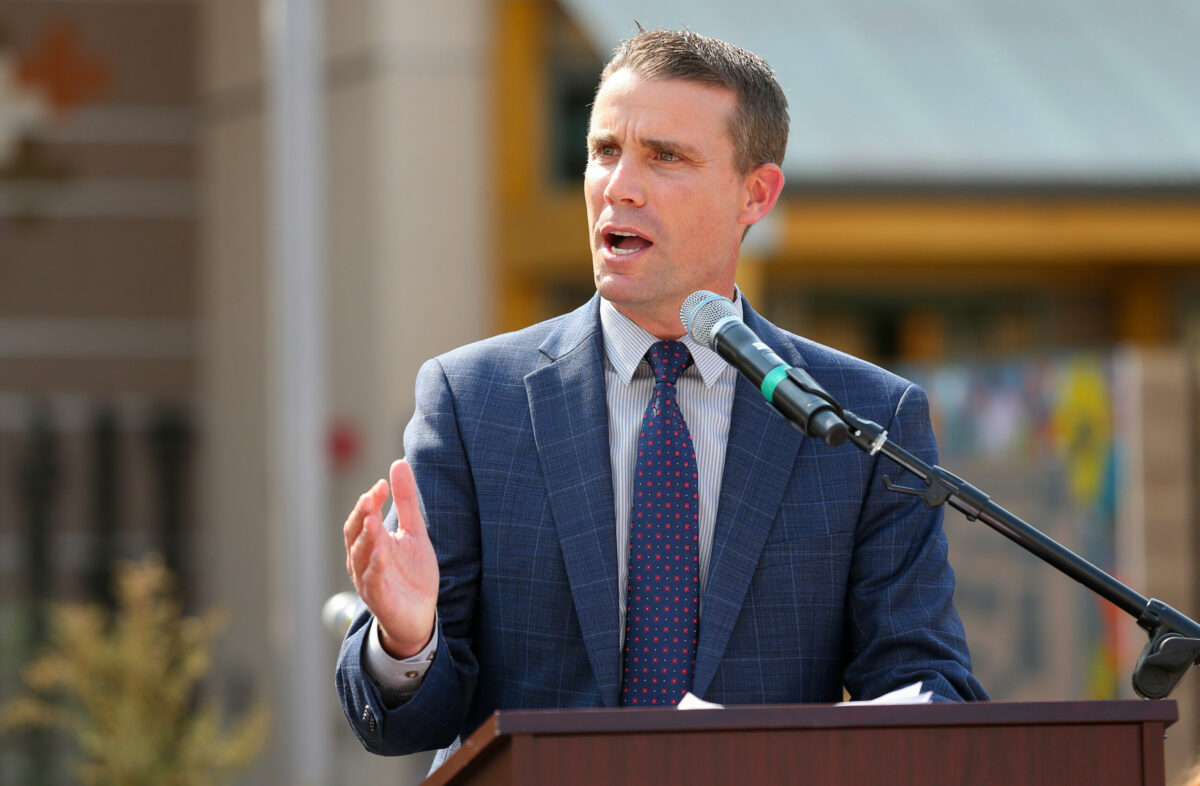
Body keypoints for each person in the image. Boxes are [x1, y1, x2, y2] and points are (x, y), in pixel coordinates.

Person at [336, 28, 986, 761]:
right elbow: (406, 726)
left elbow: (918, 677)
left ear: (756, 193)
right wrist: (407, 636)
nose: (620, 186)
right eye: (605, 151)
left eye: (665, 157)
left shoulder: (861, 422)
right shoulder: (474, 400)